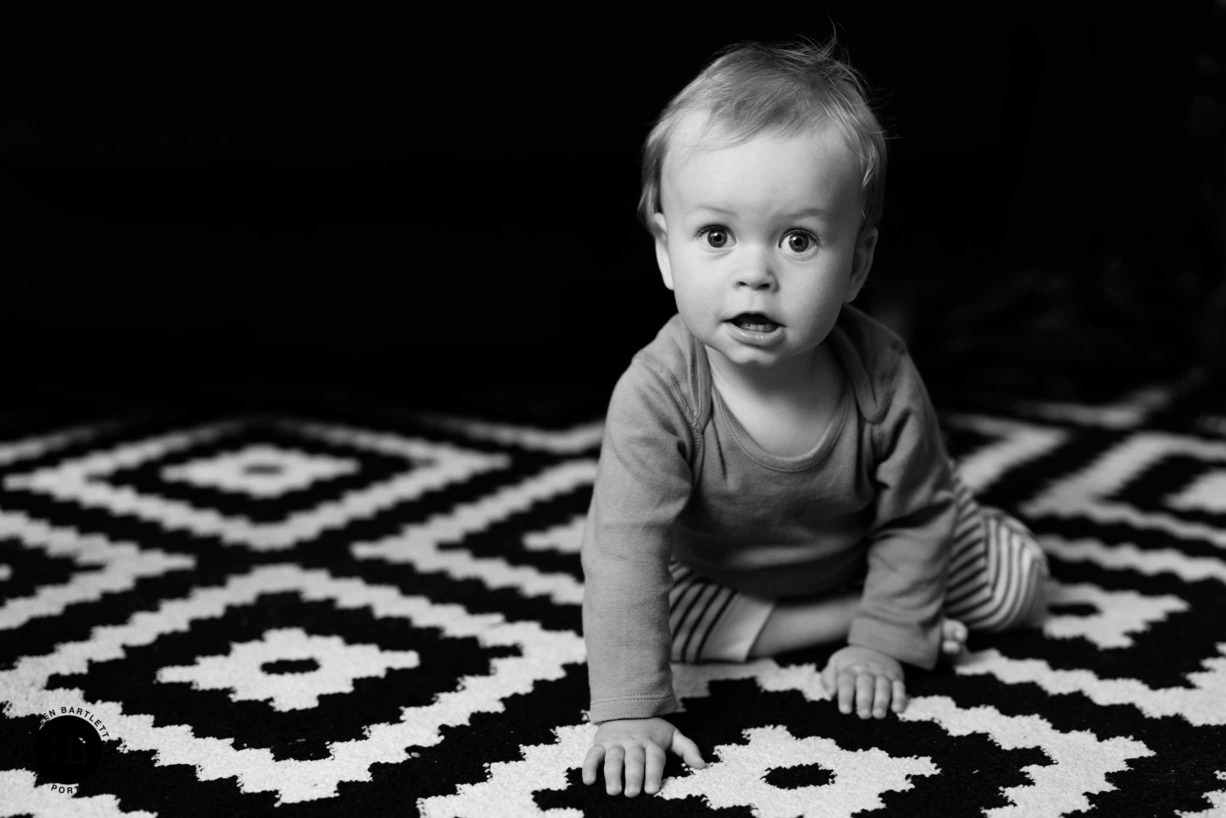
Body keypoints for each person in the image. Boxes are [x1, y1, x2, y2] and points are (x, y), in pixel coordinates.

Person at [578, 38, 1049, 798]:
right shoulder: (657, 392)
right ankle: (844, 612)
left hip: (875, 534)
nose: (755, 271)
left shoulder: (884, 372)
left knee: (1016, 586)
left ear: (856, 264)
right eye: (717, 236)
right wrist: (630, 713)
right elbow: (628, 549)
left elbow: (917, 514)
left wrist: (885, 646)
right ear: (667, 253)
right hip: (720, 567)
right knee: (646, 618)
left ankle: (889, 603)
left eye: (798, 240)